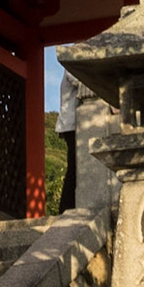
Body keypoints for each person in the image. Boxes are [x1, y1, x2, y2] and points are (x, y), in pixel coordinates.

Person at [56, 70, 80, 210]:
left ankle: (67, 206)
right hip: (71, 124)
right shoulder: (72, 67)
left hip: (73, 124)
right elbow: (84, 83)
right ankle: (67, 206)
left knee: (74, 165)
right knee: (75, 166)